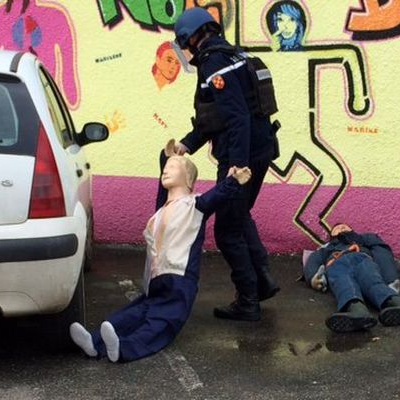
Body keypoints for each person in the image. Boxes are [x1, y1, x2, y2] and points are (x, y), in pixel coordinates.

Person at [69, 140, 252, 362]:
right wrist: (166, 157)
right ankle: (95, 342)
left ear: (188, 179)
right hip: (156, 279)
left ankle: (123, 349)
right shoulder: (160, 211)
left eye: (174, 167)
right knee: (141, 315)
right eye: (166, 168)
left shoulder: (195, 206)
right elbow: (160, 193)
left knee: (158, 320)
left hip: (180, 278)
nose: (166, 170)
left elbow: (217, 196)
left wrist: (233, 181)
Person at [171, 8, 280, 321]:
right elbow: (213, 118)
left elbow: (236, 117)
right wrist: (187, 144)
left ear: (192, 36)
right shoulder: (235, 55)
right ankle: (262, 283)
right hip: (260, 149)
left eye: (185, 41)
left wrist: (237, 166)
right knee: (240, 216)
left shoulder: (215, 63)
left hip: (240, 155)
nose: (186, 47)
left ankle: (248, 301)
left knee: (227, 230)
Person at [303, 223, 400, 333]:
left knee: (373, 282)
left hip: (362, 258)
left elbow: (382, 253)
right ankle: (357, 311)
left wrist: (390, 278)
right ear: (331, 235)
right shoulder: (327, 247)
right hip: (336, 263)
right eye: (336, 229)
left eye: (345, 226)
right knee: (344, 284)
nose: (341, 228)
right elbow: (313, 260)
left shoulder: (364, 239)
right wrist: (314, 277)